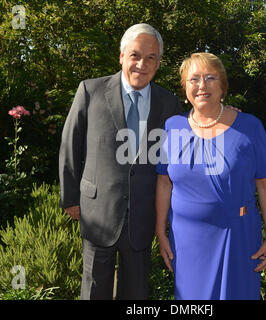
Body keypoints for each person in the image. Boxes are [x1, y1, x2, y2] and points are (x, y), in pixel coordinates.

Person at [58, 23, 182, 300]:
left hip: (143, 213)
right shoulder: (90, 91)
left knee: (136, 292)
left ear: (159, 63)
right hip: (96, 211)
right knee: (94, 290)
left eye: (151, 57)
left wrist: (223, 114)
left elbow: (186, 143)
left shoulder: (169, 103)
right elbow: (70, 145)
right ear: (122, 56)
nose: (142, 63)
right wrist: (70, 198)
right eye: (135, 55)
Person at [155, 52, 266, 300]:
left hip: (237, 239)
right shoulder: (172, 127)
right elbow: (164, 182)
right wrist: (160, 231)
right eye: (194, 79)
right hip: (187, 242)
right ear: (184, 89)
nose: (202, 85)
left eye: (210, 78)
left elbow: (265, 185)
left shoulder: (249, 126)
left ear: (222, 86)